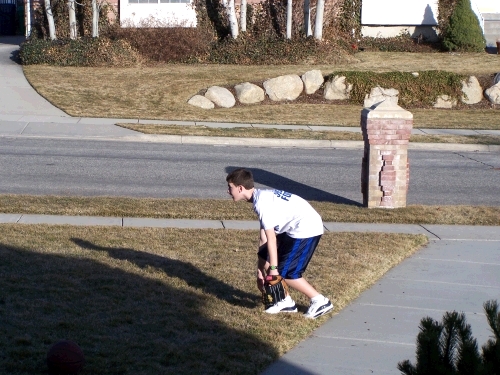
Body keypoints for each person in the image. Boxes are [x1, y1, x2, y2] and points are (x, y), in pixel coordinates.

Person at [226, 168, 333, 319]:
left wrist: (274, 270)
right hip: (294, 227)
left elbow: (271, 238)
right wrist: (260, 271)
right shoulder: (260, 198)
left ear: (240, 188)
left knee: (287, 273)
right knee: (272, 263)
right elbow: (264, 239)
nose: (228, 191)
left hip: (306, 228)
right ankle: (283, 301)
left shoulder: (262, 204)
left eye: (230, 188)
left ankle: (320, 301)